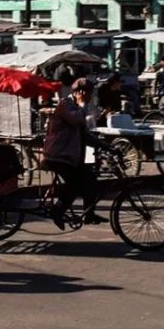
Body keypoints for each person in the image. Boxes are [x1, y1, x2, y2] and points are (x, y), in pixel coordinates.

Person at [42, 78, 104, 231]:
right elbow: (76, 120)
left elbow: (85, 135)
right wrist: (83, 104)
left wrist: (107, 147)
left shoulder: (77, 107)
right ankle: (57, 210)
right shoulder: (65, 105)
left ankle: (89, 214)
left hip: (70, 157)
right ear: (79, 93)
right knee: (75, 184)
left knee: (91, 179)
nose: (89, 99)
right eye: (88, 95)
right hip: (57, 156)